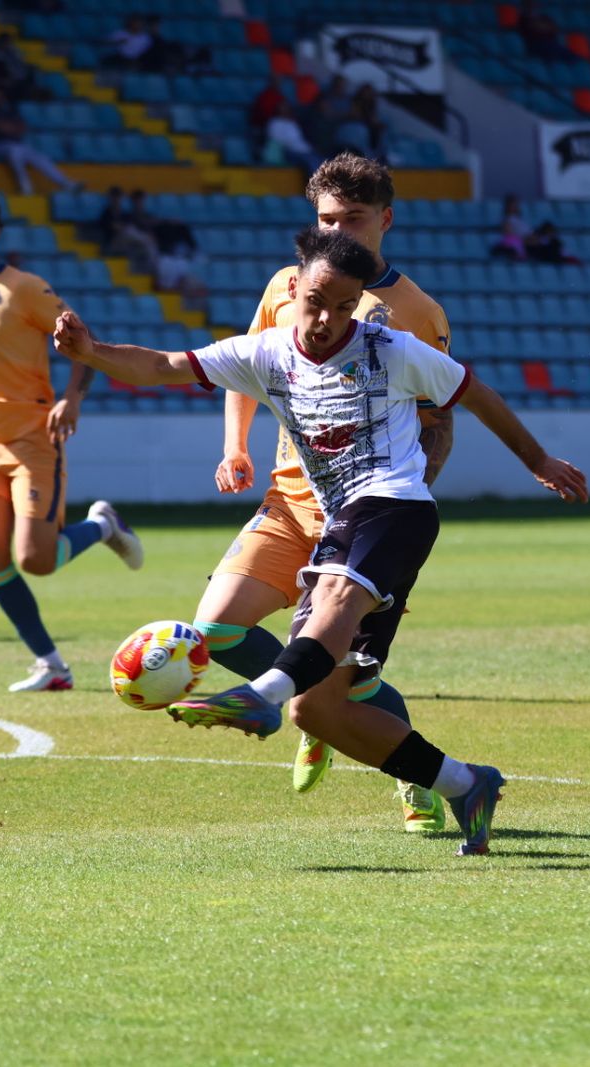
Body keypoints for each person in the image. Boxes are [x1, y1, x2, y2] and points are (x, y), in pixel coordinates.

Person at [53, 227, 588, 856]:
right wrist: (90, 351)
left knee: (334, 597)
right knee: (323, 711)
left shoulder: (393, 349)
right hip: (339, 519)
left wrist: (538, 459)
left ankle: (259, 697)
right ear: (294, 289)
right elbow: (162, 366)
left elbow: (476, 395)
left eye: (343, 306)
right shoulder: (267, 352)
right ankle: (466, 785)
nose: (327, 318)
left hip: (395, 505)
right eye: (316, 301)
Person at [194, 151, 459, 831]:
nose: (339, 230)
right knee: (218, 626)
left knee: (350, 674)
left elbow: (439, 426)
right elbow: (245, 365)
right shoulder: (288, 284)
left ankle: (416, 780)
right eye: (326, 218)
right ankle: (310, 693)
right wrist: (234, 445)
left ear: (386, 220)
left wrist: (396, 511)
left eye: (354, 219)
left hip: (367, 517)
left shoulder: (412, 311)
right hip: (289, 500)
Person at [0, 183, 143, 691]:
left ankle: (102, 526)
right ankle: (51, 665)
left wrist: (73, 397)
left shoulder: (24, 287)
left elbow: (82, 341)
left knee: (35, 560)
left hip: (32, 436)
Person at [0, 88, 77, 196]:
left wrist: (9, 127)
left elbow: (22, 128)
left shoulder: (10, 110)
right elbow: (0, 128)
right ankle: (26, 187)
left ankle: (66, 183)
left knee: (40, 157)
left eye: (1, 96)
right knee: (15, 152)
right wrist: (10, 128)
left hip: (17, 144)